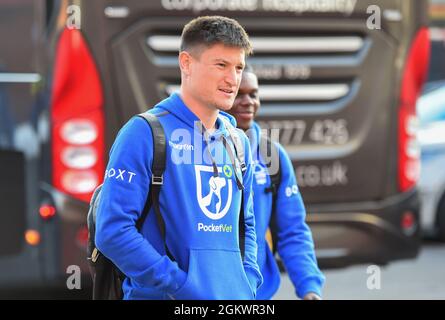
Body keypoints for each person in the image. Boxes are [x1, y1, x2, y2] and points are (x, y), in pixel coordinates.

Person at [95, 16, 262, 300]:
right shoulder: (143, 132)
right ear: (186, 63)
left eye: (238, 67)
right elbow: (112, 231)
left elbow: (246, 226)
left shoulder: (237, 142)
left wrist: (246, 282)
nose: (232, 79)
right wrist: (177, 285)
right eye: (221, 65)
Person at [228, 66, 325, 300]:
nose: (248, 102)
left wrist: (309, 287)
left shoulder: (272, 154)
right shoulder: (195, 151)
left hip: (258, 295)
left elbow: (293, 230)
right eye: (238, 94)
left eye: (253, 94)